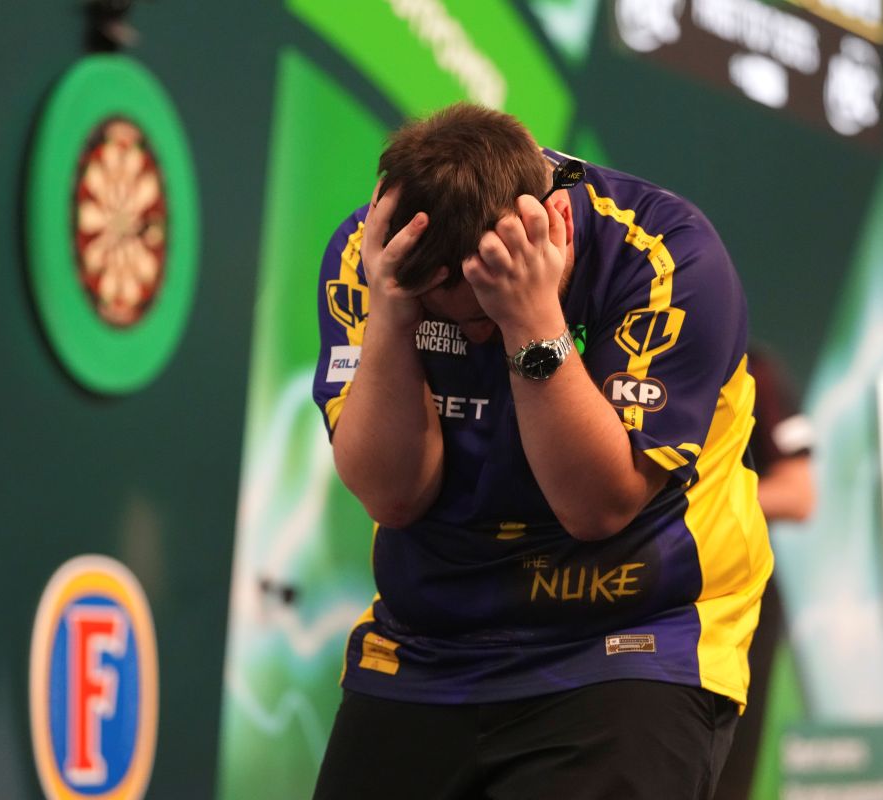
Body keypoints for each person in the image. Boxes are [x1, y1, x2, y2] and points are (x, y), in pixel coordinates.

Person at [310, 103, 770, 799]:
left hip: (631, 635)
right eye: (456, 318)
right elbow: (393, 493)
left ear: (550, 225)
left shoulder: (670, 254)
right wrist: (395, 310)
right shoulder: (376, 258)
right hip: (432, 636)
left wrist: (529, 320)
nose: (474, 340)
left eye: (481, 317)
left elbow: (599, 504)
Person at [714, 344, 816, 799]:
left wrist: (693, 504)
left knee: (729, 771)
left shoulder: (753, 369)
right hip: (633, 590)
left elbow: (798, 495)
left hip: (738, 596)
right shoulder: (610, 350)